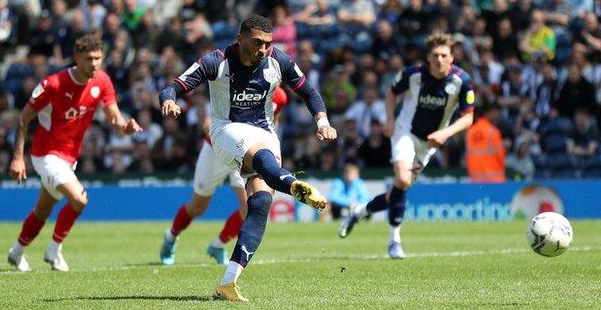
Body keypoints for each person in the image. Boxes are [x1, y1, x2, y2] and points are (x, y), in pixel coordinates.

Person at [159, 15, 336, 301]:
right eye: (257, 43)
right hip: (225, 131)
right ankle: (292, 185)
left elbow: (309, 91)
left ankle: (227, 283)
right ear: (240, 39)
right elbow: (175, 86)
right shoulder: (216, 61)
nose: (263, 49)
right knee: (205, 200)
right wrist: (169, 99)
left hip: (264, 133)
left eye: (268, 43)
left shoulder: (280, 61)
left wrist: (322, 121)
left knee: (260, 203)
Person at [7, 34, 142, 272]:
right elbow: (23, 118)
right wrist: (18, 157)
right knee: (79, 199)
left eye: (98, 58)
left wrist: (125, 127)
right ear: (77, 58)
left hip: (70, 158)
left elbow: (114, 117)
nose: (94, 64)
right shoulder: (54, 84)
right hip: (46, 154)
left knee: (42, 211)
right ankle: (54, 250)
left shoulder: (102, 81)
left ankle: (16, 252)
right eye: (89, 58)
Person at [338, 33, 475, 259]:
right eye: (435, 55)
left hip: (428, 144)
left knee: (396, 192)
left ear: (452, 58)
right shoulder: (413, 75)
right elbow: (392, 93)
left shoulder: (462, 81)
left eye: (444, 55)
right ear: (428, 57)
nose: (439, 59)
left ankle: (359, 211)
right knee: (402, 180)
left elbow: (468, 118)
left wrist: (446, 133)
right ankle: (395, 242)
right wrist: (390, 120)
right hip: (405, 132)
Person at [159, 87, 289, 266]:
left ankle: (218, 245)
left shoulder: (280, 97)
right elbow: (215, 113)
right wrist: (208, 122)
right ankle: (171, 236)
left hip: (246, 153)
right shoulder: (245, 83)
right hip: (216, 149)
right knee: (197, 207)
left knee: (248, 208)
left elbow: (274, 123)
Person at [465, 102, 506, 182]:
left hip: (475, 179)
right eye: (497, 112)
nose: (498, 116)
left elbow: (467, 155)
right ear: (490, 112)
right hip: (495, 180)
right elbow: (501, 156)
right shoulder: (493, 131)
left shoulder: (470, 131)